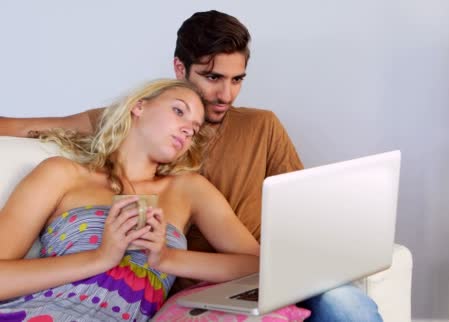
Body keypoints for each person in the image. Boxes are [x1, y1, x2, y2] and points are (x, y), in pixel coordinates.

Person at [0, 10, 383, 322]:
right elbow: (21, 126)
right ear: (174, 73)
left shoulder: (241, 142)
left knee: (344, 303)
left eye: (237, 80)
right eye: (212, 78)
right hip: (158, 297)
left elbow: (295, 216)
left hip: (236, 283)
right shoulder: (84, 150)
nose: (226, 95)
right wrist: (106, 255)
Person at [0, 79, 260, 321]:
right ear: (139, 106)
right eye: (179, 111)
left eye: (194, 128)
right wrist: (101, 257)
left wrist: (168, 259)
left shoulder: (189, 189)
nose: (187, 129)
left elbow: (258, 266)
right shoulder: (62, 174)